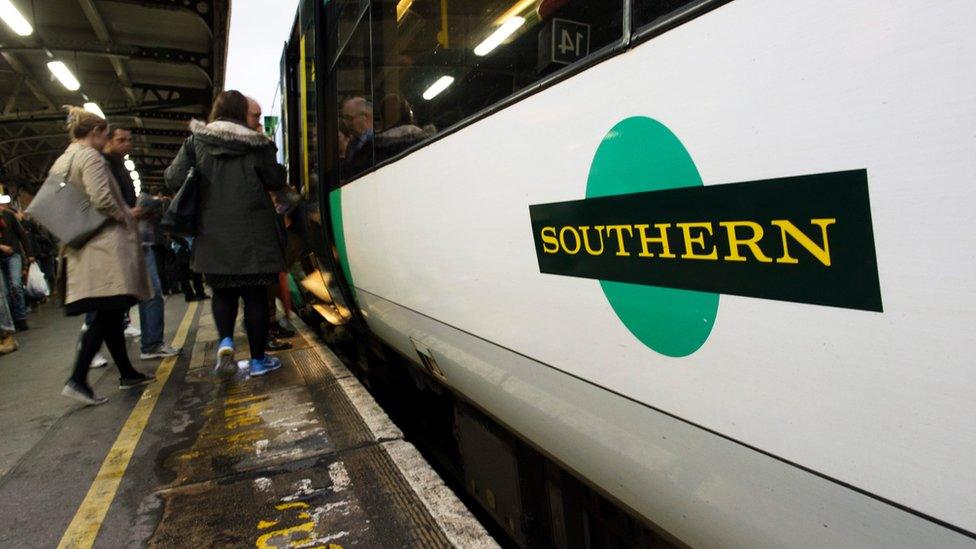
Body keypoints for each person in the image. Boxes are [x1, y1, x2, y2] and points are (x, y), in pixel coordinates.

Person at [165, 90, 287, 378]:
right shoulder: (257, 143)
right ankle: (258, 361)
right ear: (240, 112)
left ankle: (226, 342)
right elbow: (275, 180)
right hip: (254, 235)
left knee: (223, 293)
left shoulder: (196, 142)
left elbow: (172, 179)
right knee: (255, 297)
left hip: (213, 234)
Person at [51, 107, 155, 405]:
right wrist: (128, 213)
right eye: (104, 134)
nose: (105, 140)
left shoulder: (63, 158)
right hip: (103, 249)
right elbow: (102, 199)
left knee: (109, 313)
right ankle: (78, 379)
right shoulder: (89, 157)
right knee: (104, 313)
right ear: (95, 132)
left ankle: (126, 372)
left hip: (81, 245)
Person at [134, 189, 180, 359]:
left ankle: (150, 343)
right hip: (135, 244)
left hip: (141, 243)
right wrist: (139, 209)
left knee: (149, 295)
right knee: (152, 294)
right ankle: (152, 344)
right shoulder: (102, 168)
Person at [0, 196, 34, 331]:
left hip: (13, 254)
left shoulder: (9, 216)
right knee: (5, 292)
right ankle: (12, 319)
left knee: (16, 285)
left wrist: (29, 254)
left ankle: (20, 318)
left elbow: (21, 234)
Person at [339, 96, 374, 179]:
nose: (346, 123)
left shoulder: (377, 143)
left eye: (349, 118)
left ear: (365, 117)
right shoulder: (353, 143)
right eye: (344, 118)